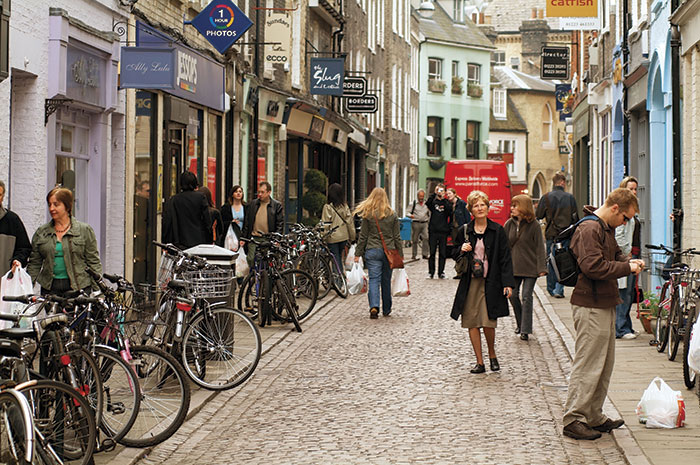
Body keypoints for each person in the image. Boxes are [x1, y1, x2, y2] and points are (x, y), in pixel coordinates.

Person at [562, 187, 644, 440]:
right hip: (590, 304)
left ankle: (594, 415)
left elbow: (614, 255)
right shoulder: (589, 229)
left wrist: (628, 261)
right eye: (626, 218)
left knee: (604, 363)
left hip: (604, 302)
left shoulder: (604, 228)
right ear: (615, 208)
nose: (626, 223)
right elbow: (593, 266)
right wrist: (626, 267)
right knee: (588, 363)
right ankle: (574, 418)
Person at [450, 190, 515, 373]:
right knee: (471, 321)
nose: (480, 208)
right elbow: (453, 252)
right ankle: (480, 362)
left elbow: (505, 258)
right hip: (470, 283)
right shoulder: (465, 230)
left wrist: (507, 283)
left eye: (482, 205)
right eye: (476, 206)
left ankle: (492, 354)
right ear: (471, 209)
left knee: (488, 321)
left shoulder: (497, 230)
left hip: (491, 281)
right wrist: (461, 249)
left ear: (488, 207)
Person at [26, 187, 102, 297]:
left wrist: (98, 292)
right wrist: (27, 289)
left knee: (75, 315)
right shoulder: (42, 232)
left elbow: (93, 261)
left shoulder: (84, 230)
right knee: (54, 315)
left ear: (67, 206)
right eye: (49, 204)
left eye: (56, 204)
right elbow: (34, 263)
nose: (51, 208)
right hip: (50, 289)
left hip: (78, 288)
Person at [354, 187, 403, 319]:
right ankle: (386, 308)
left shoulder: (368, 215)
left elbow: (363, 236)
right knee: (386, 280)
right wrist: (400, 254)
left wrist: (357, 253)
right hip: (389, 252)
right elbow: (396, 236)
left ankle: (374, 306)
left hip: (372, 250)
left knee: (374, 280)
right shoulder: (392, 214)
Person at [504, 194, 547, 341]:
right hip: (514, 267)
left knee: (527, 296)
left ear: (523, 207)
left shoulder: (534, 225)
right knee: (513, 295)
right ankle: (521, 322)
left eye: (515, 206)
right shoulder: (509, 224)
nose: (512, 208)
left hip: (530, 267)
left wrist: (542, 267)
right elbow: (503, 246)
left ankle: (525, 329)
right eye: (512, 205)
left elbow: (540, 247)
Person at [536, 172, 579, 298]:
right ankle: (559, 289)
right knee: (565, 261)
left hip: (552, 234)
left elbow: (539, 215)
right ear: (562, 183)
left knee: (551, 261)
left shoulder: (546, 197)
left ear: (554, 183)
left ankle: (551, 288)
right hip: (566, 235)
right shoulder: (570, 198)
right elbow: (575, 218)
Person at [614, 176, 641, 339]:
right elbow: (619, 235)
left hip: (632, 254)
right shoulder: (624, 213)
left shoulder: (631, 210)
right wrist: (626, 253)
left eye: (635, 189)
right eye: (631, 189)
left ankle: (627, 326)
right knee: (623, 293)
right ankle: (620, 329)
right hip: (626, 257)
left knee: (629, 293)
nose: (634, 192)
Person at [162, 171, 212, 249]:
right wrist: (209, 240)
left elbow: (168, 220)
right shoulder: (201, 197)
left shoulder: (175, 199)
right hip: (199, 240)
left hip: (180, 241)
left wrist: (166, 241)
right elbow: (207, 221)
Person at [241, 181, 284, 264]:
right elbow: (247, 222)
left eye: (262, 192)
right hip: (254, 238)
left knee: (267, 262)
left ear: (269, 192)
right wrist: (243, 237)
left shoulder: (276, 206)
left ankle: (265, 276)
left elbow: (280, 224)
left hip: (268, 239)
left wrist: (277, 240)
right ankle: (253, 276)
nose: (259, 194)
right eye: (259, 192)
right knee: (250, 259)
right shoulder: (253, 204)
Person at [0, 180, 31, 277]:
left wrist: (17, 260)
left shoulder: (13, 220)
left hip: (5, 284)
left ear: (3, 197)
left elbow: (24, 248)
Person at [321, 183, 356, 270]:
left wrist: (323, 237)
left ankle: (338, 280)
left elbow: (325, 223)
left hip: (332, 237)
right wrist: (352, 237)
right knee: (339, 257)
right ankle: (341, 277)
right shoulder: (345, 207)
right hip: (343, 237)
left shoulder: (328, 207)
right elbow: (350, 223)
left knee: (335, 259)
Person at [426, 184, 452, 279]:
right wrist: (434, 193)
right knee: (432, 252)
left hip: (443, 231)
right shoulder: (433, 202)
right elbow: (428, 203)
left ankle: (441, 272)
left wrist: (443, 198)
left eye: (442, 190)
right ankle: (431, 272)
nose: (440, 192)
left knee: (442, 253)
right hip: (433, 230)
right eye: (439, 190)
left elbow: (450, 211)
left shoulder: (446, 203)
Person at [220, 185, 246, 250]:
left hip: (242, 235)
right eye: (236, 192)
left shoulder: (246, 207)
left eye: (240, 191)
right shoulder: (226, 207)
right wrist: (231, 222)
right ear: (232, 194)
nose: (238, 193)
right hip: (230, 236)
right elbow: (221, 222)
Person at [406, 189, 430, 260]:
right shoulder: (413, 203)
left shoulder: (427, 204)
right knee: (415, 239)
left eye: (422, 196)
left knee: (426, 238)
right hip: (415, 223)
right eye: (420, 196)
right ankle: (414, 255)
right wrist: (410, 215)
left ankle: (425, 254)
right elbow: (407, 213)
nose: (421, 198)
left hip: (424, 223)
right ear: (417, 196)